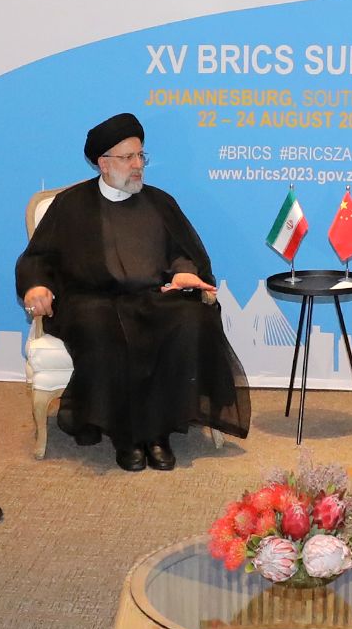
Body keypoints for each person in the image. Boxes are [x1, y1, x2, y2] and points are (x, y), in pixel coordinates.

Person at [15, 112, 251, 471]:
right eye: (128, 158)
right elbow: (38, 257)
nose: (138, 165)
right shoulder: (71, 205)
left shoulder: (160, 203)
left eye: (141, 156)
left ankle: (158, 433)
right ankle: (127, 437)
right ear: (103, 163)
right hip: (92, 300)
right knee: (102, 327)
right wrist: (36, 286)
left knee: (193, 318)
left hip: (156, 297)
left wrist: (185, 274)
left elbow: (184, 255)